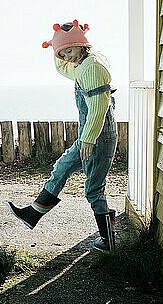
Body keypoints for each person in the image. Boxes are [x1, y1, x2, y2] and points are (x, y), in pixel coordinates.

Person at [7, 20, 118, 252]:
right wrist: (54, 47)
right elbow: (62, 67)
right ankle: (33, 214)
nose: (66, 57)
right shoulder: (81, 64)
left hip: (96, 136)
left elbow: (100, 105)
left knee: (93, 189)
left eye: (69, 50)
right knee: (62, 167)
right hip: (90, 134)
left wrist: (88, 139)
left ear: (81, 45)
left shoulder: (93, 67)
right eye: (62, 52)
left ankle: (109, 240)